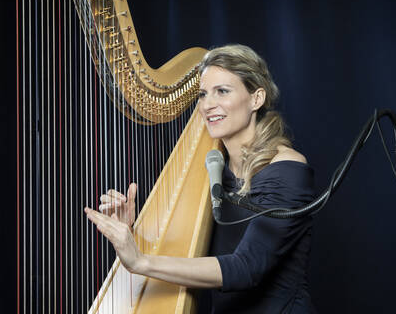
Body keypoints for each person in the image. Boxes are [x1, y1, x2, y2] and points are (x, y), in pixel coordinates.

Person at [85, 44, 317, 313]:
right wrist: (134, 233)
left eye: (223, 91)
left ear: (256, 99)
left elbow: (246, 268)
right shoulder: (214, 165)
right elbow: (183, 252)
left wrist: (141, 261)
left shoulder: (288, 170)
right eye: (203, 94)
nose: (208, 105)